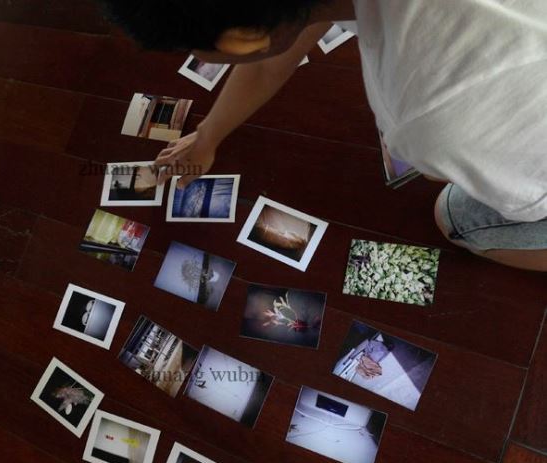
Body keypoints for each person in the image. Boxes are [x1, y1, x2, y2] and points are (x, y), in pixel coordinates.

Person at [98, 1, 547, 271]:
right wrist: (207, 136)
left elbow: (457, 175)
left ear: (241, 40)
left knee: (453, 219)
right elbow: (273, 56)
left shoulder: (424, 115)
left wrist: (426, 154)